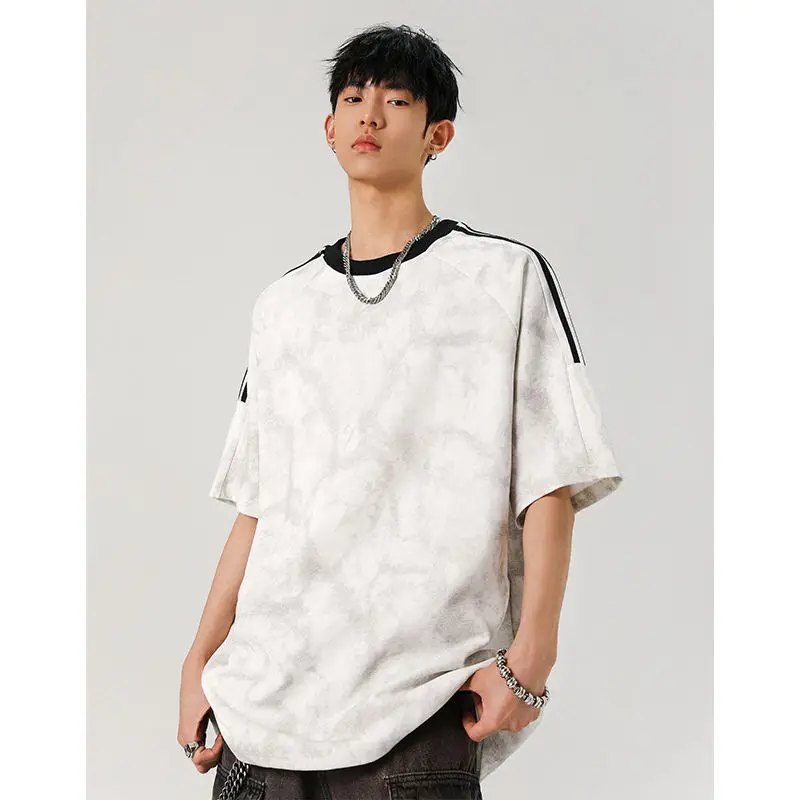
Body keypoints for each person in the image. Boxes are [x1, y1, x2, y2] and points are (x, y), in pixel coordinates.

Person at [178, 23, 623, 800]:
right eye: (353, 99)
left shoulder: (502, 279)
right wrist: (197, 662)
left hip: (415, 713)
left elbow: (549, 477)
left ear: (437, 135)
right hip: (259, 718)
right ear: (329, 129)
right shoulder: (284, 307)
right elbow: (258, 506)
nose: (370, 116)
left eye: (396, 100)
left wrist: (533, 658)